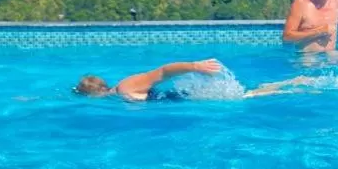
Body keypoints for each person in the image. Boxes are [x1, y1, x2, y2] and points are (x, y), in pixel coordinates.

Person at [73, 58, 319, 101]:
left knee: (243, 97)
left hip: (186, 99)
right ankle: (290, 84)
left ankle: (296, 86)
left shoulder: (126, 86)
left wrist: (195, 67)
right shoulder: (117, 94)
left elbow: (163, 72)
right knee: (245, 94)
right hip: (182, 101)